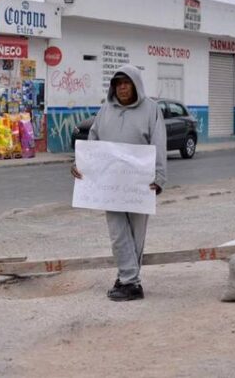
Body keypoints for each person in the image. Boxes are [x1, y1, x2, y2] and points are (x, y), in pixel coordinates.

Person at [71, 64, 166, 302]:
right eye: (118, 83)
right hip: (110, 185)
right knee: (117, 232)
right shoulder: (105, 110)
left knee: (136, 234)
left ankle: (128, 279)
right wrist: (80, 164)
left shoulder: (151, 110)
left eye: (127, 83)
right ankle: (129, 280)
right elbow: (93, 140)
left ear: (136, 84)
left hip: (140, 184)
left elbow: (159, 143)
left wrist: (159, 177)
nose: (122, 88)